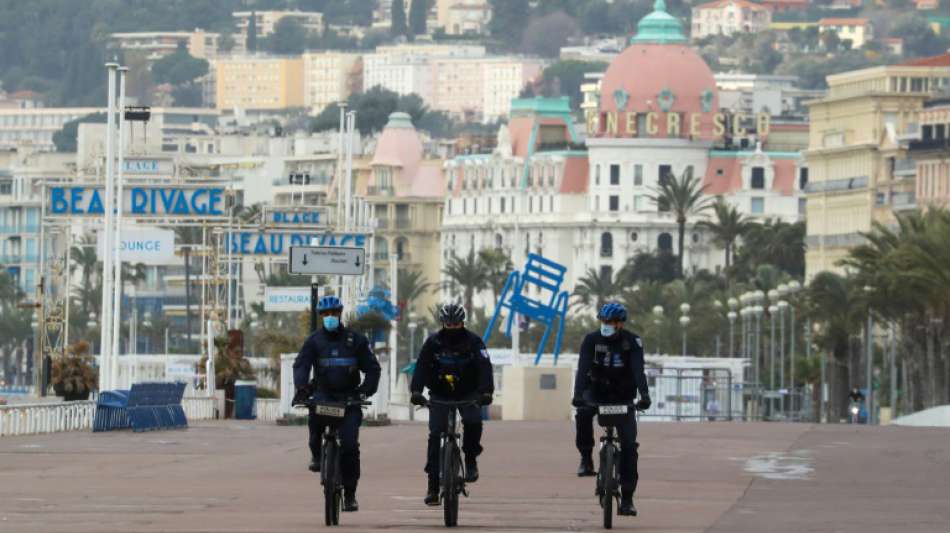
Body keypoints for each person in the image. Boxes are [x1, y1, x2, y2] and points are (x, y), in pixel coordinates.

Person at [292, 295, 381, 513]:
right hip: (323, 396)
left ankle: (350, 494)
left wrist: (364, 391)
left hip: (349, 400)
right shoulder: (314, 341)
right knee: (314, 426)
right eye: (325, 314)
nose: (330, 317)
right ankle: (316, 454)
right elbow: (301, 365)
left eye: (333, 313)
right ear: (321, 316)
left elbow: (372, 369)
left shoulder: (356, 340)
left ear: (340, 314)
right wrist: (302, 388)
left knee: (350, 447)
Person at [409, 303, 494, 506]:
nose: (452, 327)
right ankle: (432, 486)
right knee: (435, 434)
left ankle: (471, 458)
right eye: (449, 323)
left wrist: (486, 392)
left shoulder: (475, 342)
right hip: (440, 394)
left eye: (456, 323)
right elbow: (421, 366)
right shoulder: (433, 343)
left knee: (473, 421)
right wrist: (416, 391)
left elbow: (484, 367)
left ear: (462, 322)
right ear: (443, 323)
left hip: (468, 393)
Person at [572, 302, 651, 517]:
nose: (606, 325)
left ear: (620, 324)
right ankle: (586, 458)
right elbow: (583, 368)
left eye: (611, 322)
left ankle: (627, 498)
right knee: (583, 413)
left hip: (623, 396)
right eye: (603, 322)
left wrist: (644, 395)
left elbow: (638, 370)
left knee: (629, 447)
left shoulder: (632, 341)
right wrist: (578, 394)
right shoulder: (591, 340)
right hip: (596, 391)